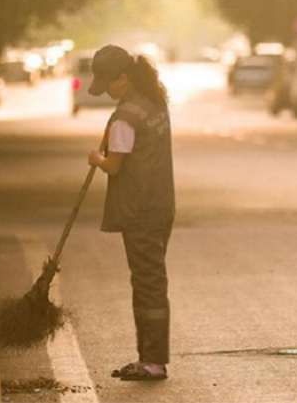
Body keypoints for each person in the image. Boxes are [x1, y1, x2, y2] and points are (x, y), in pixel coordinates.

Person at [86, 45, 175, 381]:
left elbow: (114, 165)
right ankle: (147, 357)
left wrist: (96, 158)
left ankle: (152, 361)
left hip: (140, 209)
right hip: (161, 204)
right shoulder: (153, 102)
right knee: (149, 279)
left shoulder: (126, 117)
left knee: (148, 283)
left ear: (123, 77)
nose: (106, 89)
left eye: (108, 82)